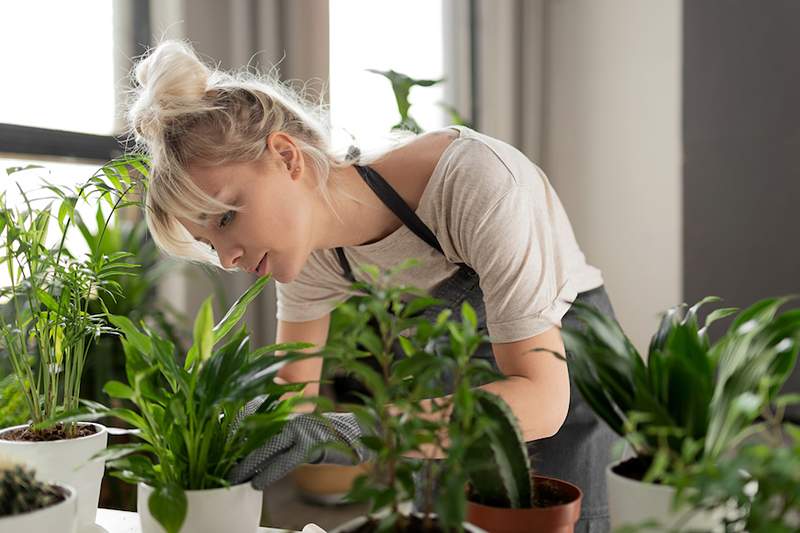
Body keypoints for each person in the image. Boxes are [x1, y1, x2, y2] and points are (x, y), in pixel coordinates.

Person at [129, 40, 620, 532]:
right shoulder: (310, 254)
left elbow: (541, 399)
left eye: (227, 216)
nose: (230, 258)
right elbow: (293, 399)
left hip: (558, 376)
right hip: (452, 388)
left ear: (285, 156)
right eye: (209, 243)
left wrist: (356, 431)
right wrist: (229, 424)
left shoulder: (475, 183)